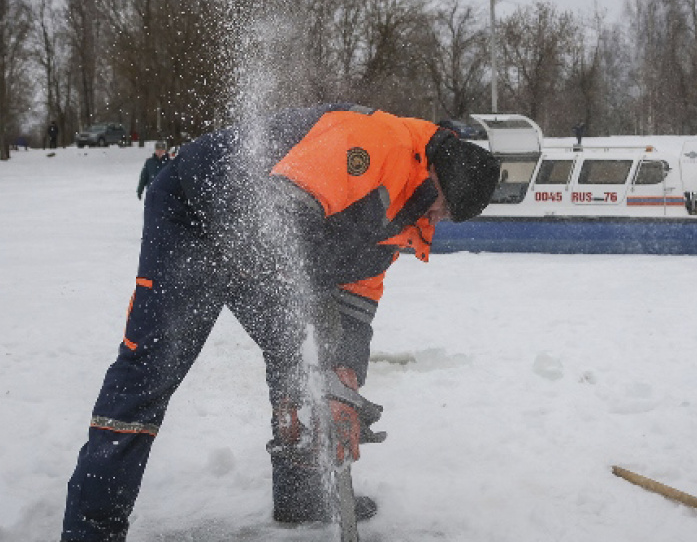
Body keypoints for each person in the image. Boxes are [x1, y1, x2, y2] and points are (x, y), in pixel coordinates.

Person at [60, 104, 500, 542]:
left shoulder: (409, 205)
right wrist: (322, 350)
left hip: (259, 239)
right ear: (437, 175)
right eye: (444, 208)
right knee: (152, 368)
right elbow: (282, 225)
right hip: (194, 212)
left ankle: (300, 492)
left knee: (298, 353)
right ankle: (91, 527)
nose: (438, 219)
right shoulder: (372, 144)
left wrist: (344, 373)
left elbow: (359, 297)